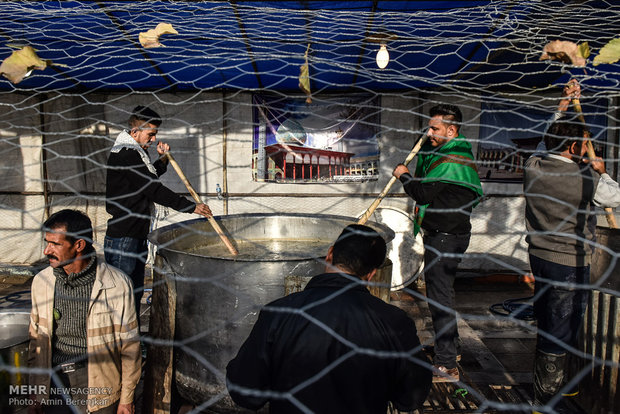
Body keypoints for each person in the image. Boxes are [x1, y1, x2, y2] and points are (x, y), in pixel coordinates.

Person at [226, 224, 432, 414]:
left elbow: (245, 393)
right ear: (371, 274)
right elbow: (411, 399)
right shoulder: (394, 322)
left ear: (329, 254)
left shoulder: (279, 313)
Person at [524, 85, 620, 413]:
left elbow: (544, 141)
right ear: (577, 146)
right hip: (569, 261)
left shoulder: (533, 166)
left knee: (550, 320)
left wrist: (562, 107)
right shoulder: (584, 177)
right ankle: (546, 399)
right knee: (561, 326)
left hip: (539, 256)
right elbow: (615, 198)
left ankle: (562, 387)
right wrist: (602, 172)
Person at [392, 104, 483, 382]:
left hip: (446, 237)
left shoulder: (451, 160)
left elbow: (421, 192)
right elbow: (427, 153)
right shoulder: (451, 151)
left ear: (452, 130)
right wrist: (424, 139)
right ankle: (451, 348)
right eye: (428, 128)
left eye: (435, 129)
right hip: (448, 234)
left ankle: (447, 365)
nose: (429, 133)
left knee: (440, 299)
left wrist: (403, 174)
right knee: (444, 294)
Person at [27, 209, 141, 414]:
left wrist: (126, 398)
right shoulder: (41, 283)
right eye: (47, 242)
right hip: (55, 383)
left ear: (78, 245)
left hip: (100, 382)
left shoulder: (117, 285)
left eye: (55, 244)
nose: (46, 251)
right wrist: (36, 390)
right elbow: (35, 340)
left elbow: (130, 346)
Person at [104, 105, 212, 316]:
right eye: (150, 134)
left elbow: (149, 177)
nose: (153, 139)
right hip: (123, 237)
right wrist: (190, 207)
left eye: (155, 135)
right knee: (120, 297)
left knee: (133, 294)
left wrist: (164, 159)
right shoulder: (125, 154)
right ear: (135, 132)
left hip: (135, 233)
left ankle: (131, 340)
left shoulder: (135, 154)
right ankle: (117, 341)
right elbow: (153, 189)